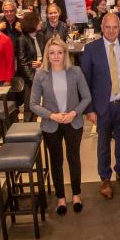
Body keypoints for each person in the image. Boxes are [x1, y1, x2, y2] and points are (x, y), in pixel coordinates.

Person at [80, 13, 120, 199]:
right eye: (108, 27)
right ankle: (105, 178)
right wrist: (89, 110)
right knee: (103, 144)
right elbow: (85, 82)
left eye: (115, 27)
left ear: (119, 27)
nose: (112, 31)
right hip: (102, 107)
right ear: (102, 28)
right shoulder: (91, 49)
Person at [29, 37, 91, 215]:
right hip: (51, 124)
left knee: (74, 159)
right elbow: (33, 104)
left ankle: (77, 194)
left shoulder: (76, 72)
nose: (56, 56)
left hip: (73, 122)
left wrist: (73, 113)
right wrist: (51, 115)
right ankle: (61, 198)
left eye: (59, 52)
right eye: (52, 53)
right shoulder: (41, 75)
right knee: (56, 162)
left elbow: (86, 97)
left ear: (65, 53)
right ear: (47, 55)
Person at [16, 12, 44, 120]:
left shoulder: (41, 36)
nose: (40, 23)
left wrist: (41, 62)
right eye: (38, 21)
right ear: (32, 23)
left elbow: (46, 53)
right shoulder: (22, 39)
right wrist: (33, 79)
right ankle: (29, 126)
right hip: (30, 76)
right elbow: (22, 62)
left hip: (43, 70)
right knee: (30, 105)